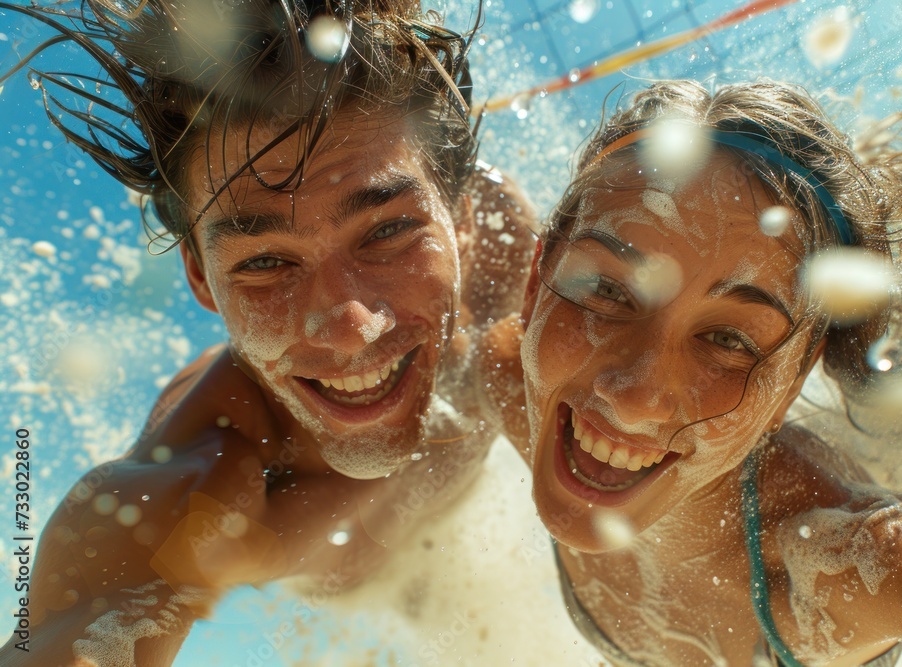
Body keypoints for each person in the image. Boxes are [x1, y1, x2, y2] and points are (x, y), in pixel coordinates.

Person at [0, 0, 533, 664]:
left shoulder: (508, 265)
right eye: (264, 263)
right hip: (356, 603)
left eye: (388, 231)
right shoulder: (209, 472)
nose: (349, 328)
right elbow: (86, 613)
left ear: (462, 221)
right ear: (199, 277)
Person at [482, 80, 902, 665]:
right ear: (535, 280)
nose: (633, 399)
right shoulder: (508, 376)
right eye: (605, 290)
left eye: (728, 340)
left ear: (793, 382)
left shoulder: (837, 569)